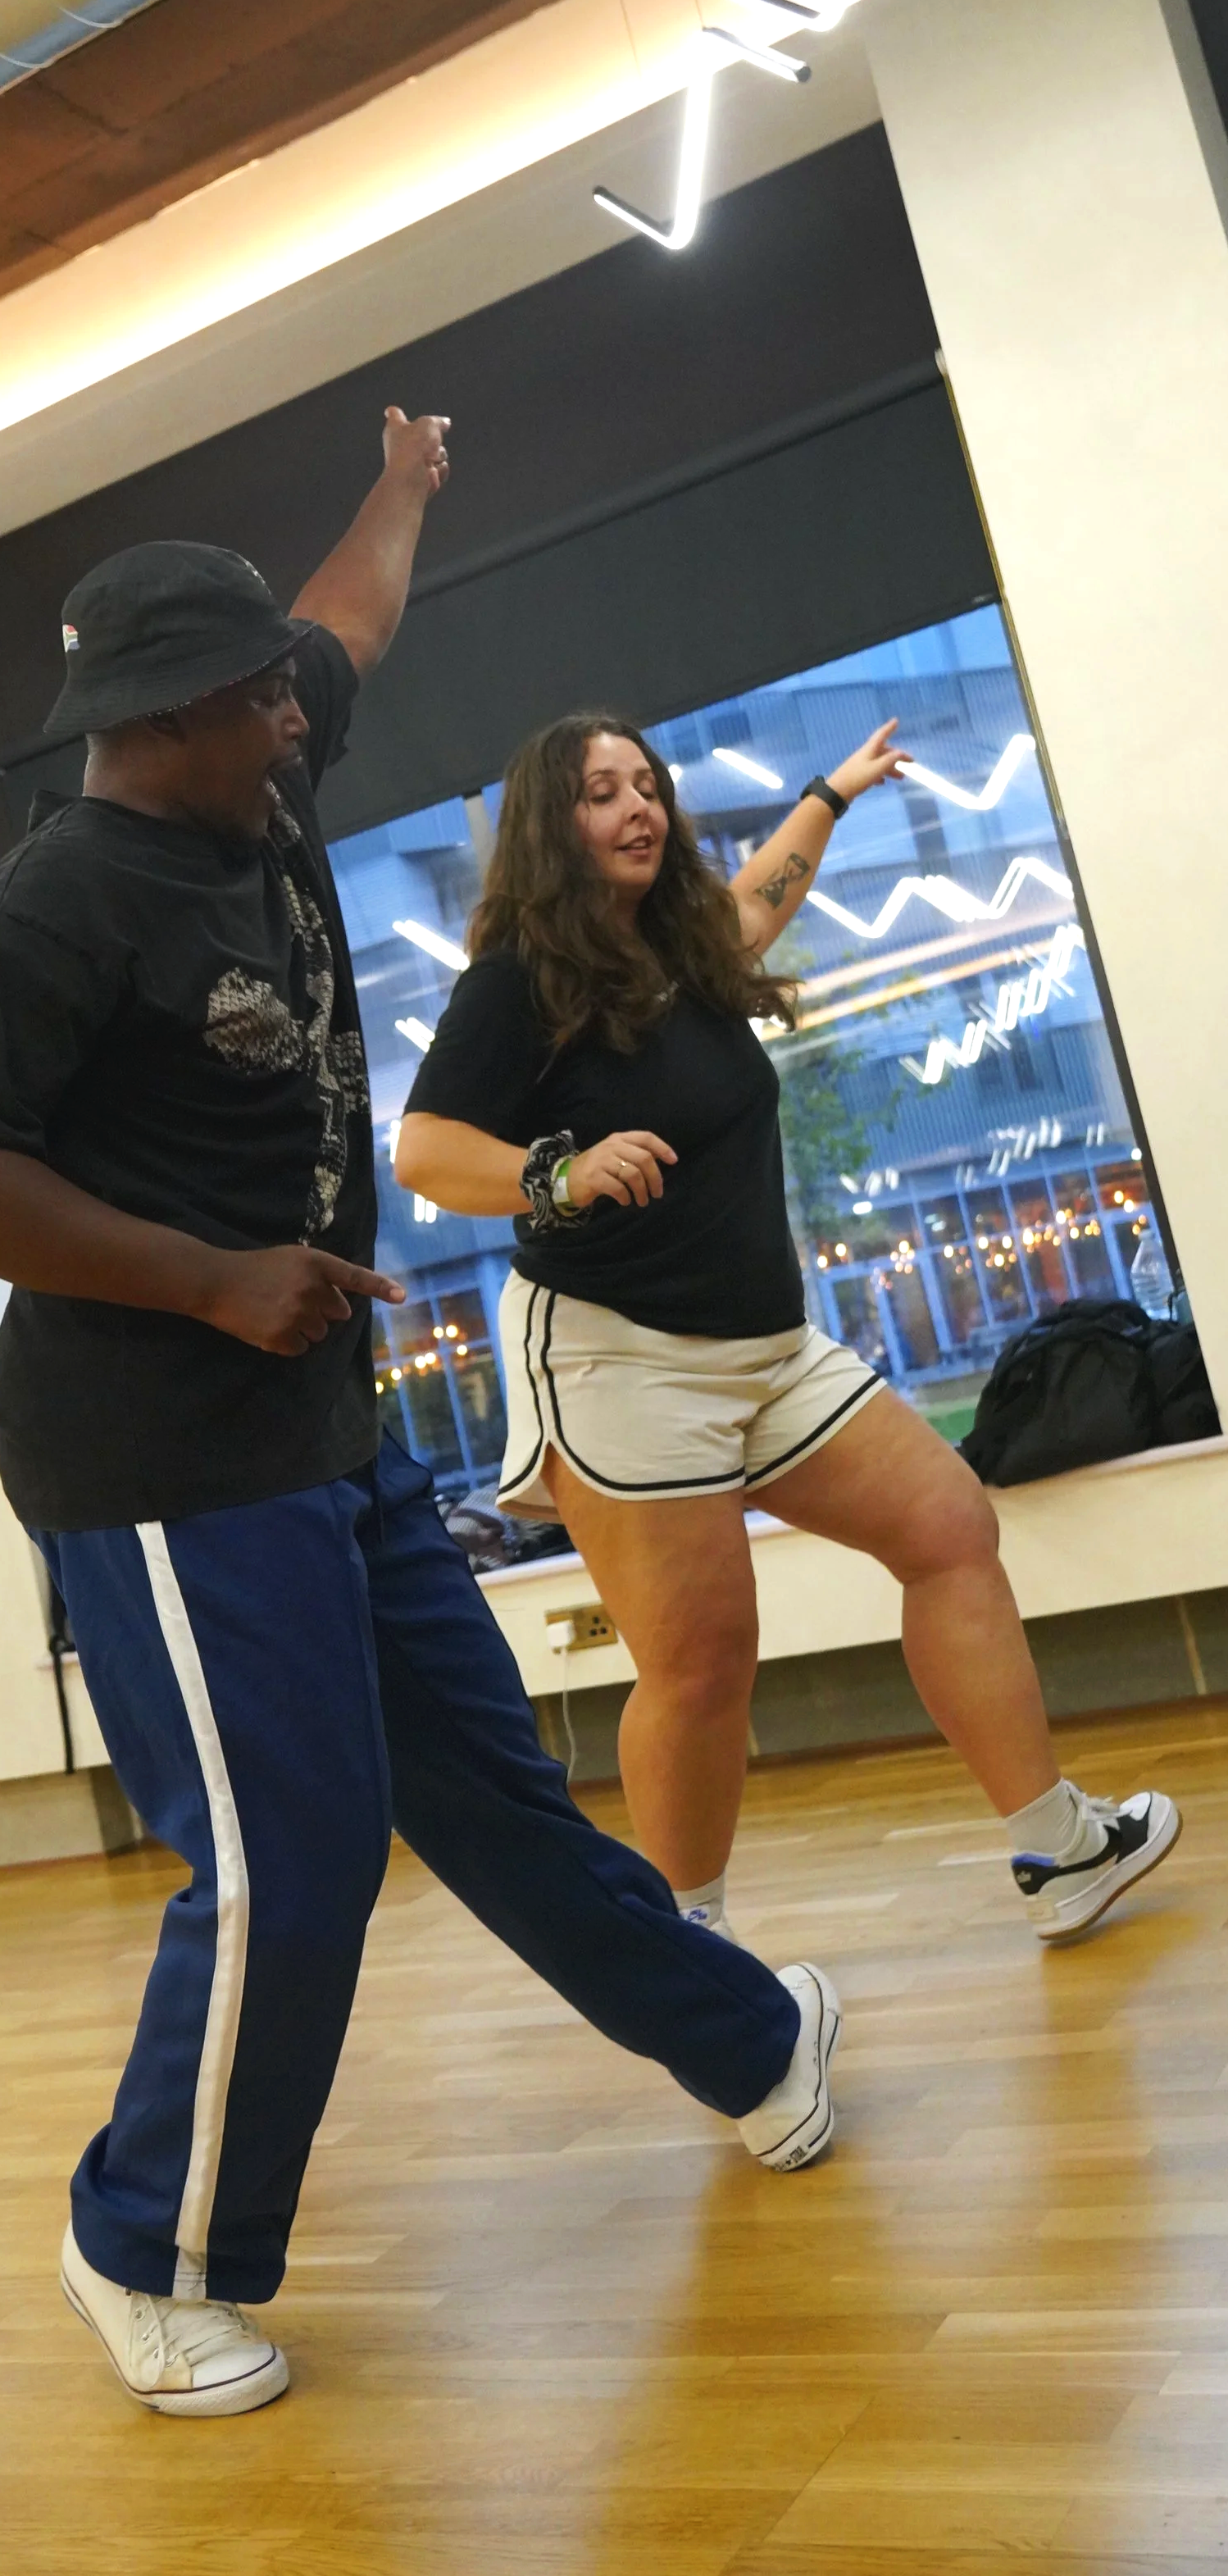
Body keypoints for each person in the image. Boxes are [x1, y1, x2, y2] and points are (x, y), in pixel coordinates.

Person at [0, 413, 842, 2425]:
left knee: (486, 1786)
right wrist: (214, 1276)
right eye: (255, 703)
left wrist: (405, 482)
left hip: (319, 1425)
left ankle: (747, 2039)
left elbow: (345, 623)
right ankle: (141, 2243)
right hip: (155, 1456)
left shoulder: (258, 766)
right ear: (155, 721)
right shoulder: (57, 907)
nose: (295, 721)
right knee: (286, 1855)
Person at [395, 710, 1180, 1947]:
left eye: (646, 785)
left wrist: (831, 791)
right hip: (617, 1354)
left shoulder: (683, 951)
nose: (638, 807)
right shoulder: (516, 983)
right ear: (553, 823)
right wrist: (560, 1168)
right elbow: (428, 1153)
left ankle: (1058, 1847)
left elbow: (760, 896)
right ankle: (694, 1965)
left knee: (946, 1526)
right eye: (602, 792)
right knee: (703, 1659)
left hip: (763, 1345)